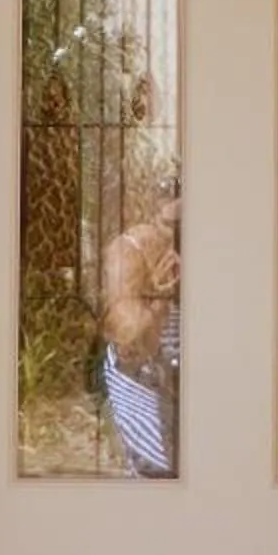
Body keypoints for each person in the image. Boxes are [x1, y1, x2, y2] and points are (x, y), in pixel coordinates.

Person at [100, 187, 180, 477]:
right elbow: (126, 340)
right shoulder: (129, 251)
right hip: (143, 375)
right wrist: (155, 297)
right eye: (171, 225)